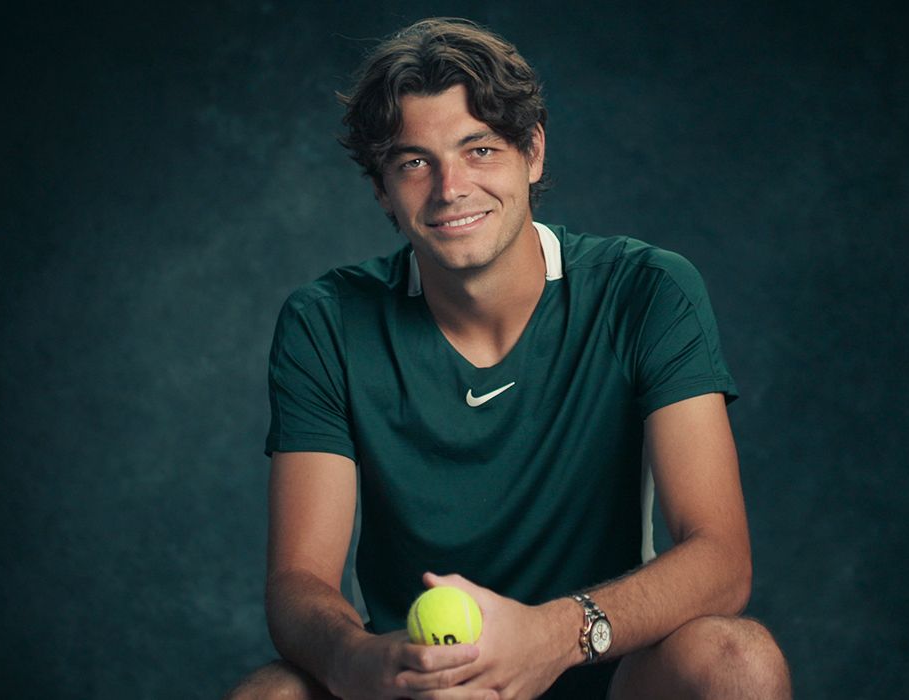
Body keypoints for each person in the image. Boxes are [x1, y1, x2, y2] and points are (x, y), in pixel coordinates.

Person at [228, 17, 791, 700]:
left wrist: (553, 637)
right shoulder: (325, 322)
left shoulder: (645, 291)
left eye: (480, 150)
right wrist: (362, 662)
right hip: (418, 689)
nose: (450, 187)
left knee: (738, 659)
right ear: (382, 189)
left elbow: (722, 560)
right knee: (271, 696)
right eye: (413, 162)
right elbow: (299, 582)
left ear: (532, 153)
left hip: (605, 673)